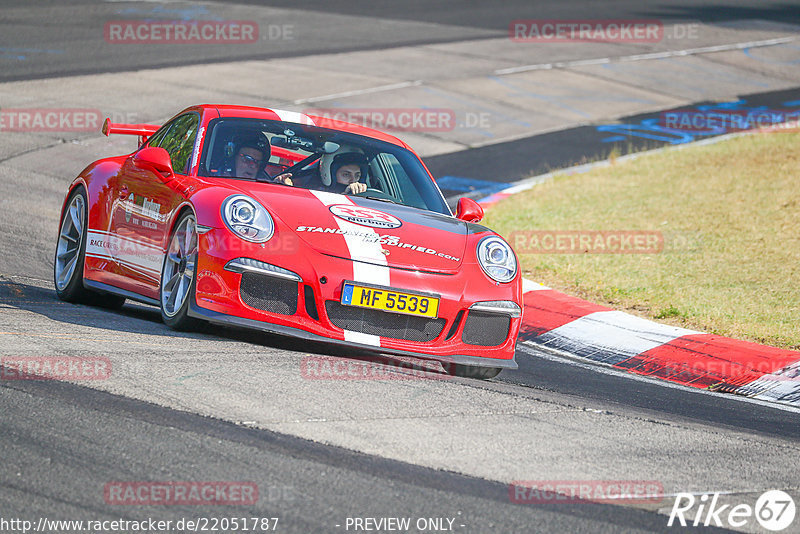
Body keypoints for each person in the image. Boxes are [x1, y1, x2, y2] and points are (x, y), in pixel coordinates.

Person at [225, 133, 293, 185]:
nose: (253, 166)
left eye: (258, 162)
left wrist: (278, 185)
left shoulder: (263, 184)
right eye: (247, 159)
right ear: (234, 159)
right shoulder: (216, 180)